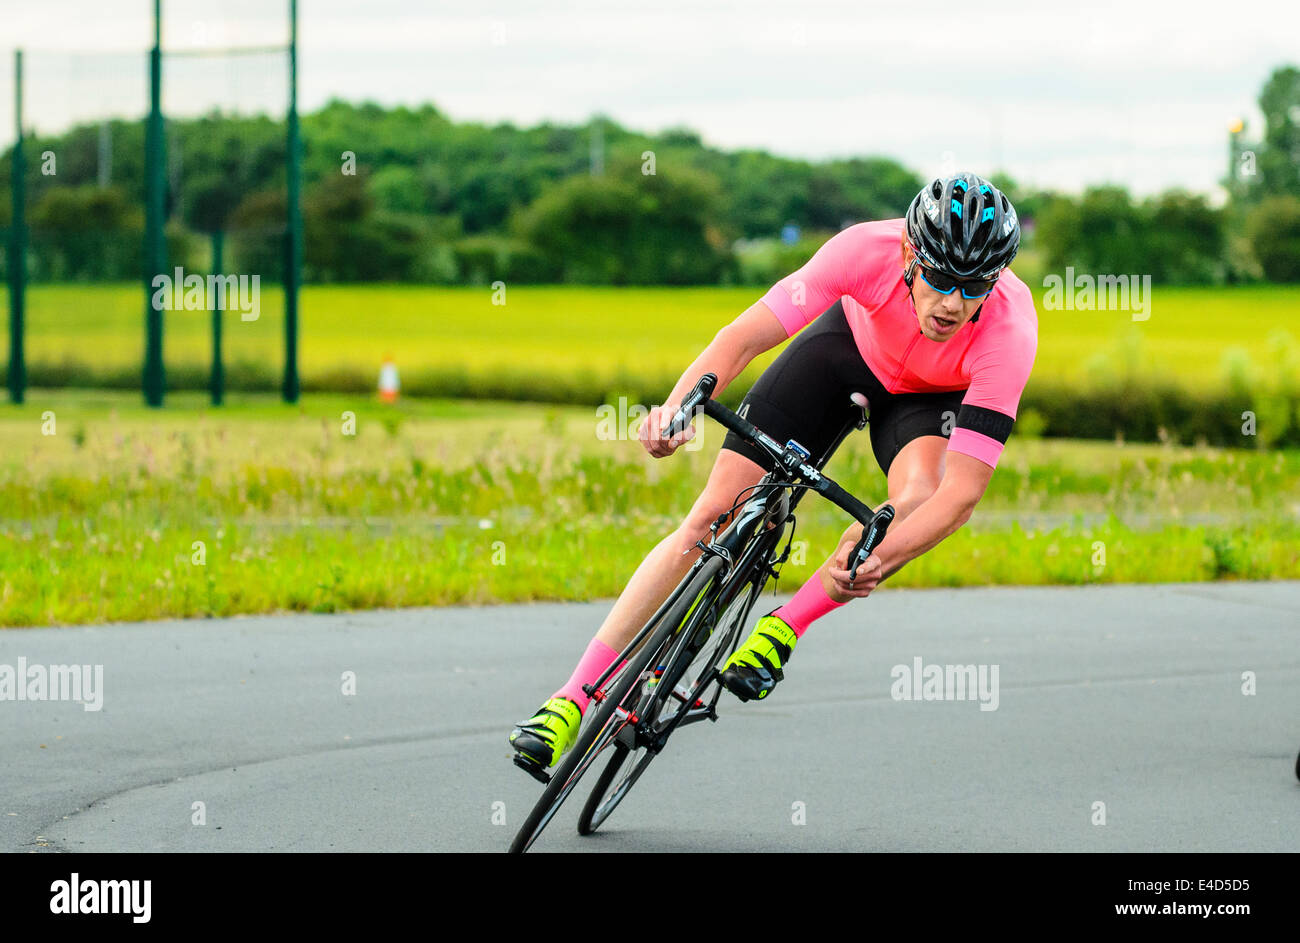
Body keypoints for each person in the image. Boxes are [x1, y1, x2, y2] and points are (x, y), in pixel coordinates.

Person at [509, 172, 1037, 776]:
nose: (952, 304)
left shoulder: (1009, 330)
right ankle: (570, 700)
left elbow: (961, 497)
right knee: (709, 517)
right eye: (941, 280)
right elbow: (743, 337)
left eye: (972, 287)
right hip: (843, 355)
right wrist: (679, 406)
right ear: (910, 254)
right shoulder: (863, 250)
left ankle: (787, 624)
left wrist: (878, 561)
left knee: (914, 500)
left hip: (923, 401)